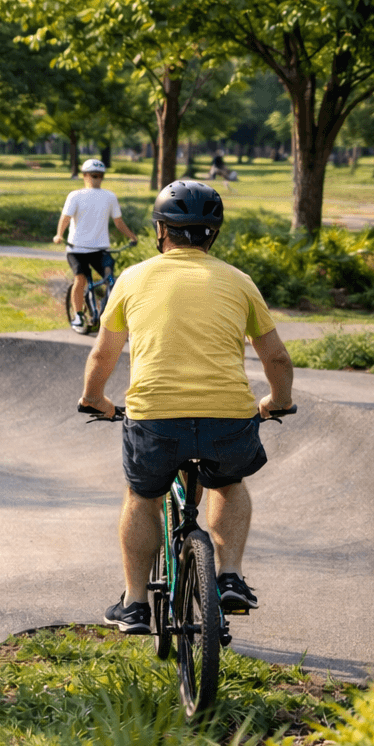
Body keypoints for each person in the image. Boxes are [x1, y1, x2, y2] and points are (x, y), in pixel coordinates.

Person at [79, 180, 295, 639]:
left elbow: (102, 355)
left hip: (155, 416)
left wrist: (96, 399)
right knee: (229, 483)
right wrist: (278, 401)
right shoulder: (239, 282)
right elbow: (275, 357)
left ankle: (135, 603)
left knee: (143, 496)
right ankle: (230, 574)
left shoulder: (133, 278)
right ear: (212, 233)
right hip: (228, 416)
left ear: (161, 230)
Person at [53, 158, 139, 332]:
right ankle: (78, 316)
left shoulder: (109, 197)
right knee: (81, 279)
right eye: (94, 175)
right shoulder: (75, 196)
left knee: (112, 281)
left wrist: (132, 237)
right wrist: (59, 235)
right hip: (77, 249)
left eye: (100, 176)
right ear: (85, 176)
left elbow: (119, 222)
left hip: (100, 250)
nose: (97, 179)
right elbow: (66, 218)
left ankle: (109, 314)